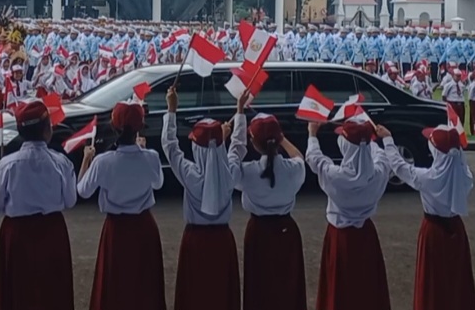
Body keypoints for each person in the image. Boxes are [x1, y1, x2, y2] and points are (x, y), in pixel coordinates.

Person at [0, 100, 77, 310]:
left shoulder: (7, 164)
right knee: (52, 293)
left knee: (19, 293)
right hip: (53, 233)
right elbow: (70, 200)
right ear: (47, 130)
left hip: (17, 236)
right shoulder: (61, 162)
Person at [77, 101, 166, 310]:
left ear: (115, 127)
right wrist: (144, 151)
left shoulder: (103, 161)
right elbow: (158, 183)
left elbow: (82, 190)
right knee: (145, 287)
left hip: (116, 229)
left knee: (115, 286)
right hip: (144, 227)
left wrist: (86, 160)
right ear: (139, 128)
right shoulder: (150, 157)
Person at [381, 124, 475, 310]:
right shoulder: (465, 176)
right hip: (456, 228)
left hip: (433, 231)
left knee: (433, 278)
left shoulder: (427, 178)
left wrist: (388, 139)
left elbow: (400, 167)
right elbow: (459, 162)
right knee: (457, 278)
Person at [162, 86, 240, 310]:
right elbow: (238, 148)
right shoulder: (230, 172)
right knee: (220, 296)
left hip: (195, 241)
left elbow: (170, 146)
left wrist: (172, 109)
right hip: (223, 240)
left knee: (196, 296)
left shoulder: (191, 174)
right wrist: (240, 113)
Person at [227, 94, 306, 310]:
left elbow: (231, 167)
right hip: (286, 231)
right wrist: (281, 138)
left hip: (259, 232)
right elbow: (299, 157)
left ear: (253, 143)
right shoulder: (293, 171)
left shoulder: (249, 172)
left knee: (260, 289)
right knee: (287, 287)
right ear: (279, 139)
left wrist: (240, 113)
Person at [307, 115, 392, 310]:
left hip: (340, 236)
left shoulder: (335, 176)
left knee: (340, 289)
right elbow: (382, 156)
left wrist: (312, 134)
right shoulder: (378, 174)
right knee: (367, 287)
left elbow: (315, 159)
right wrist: (378, 139)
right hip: (366, 235)